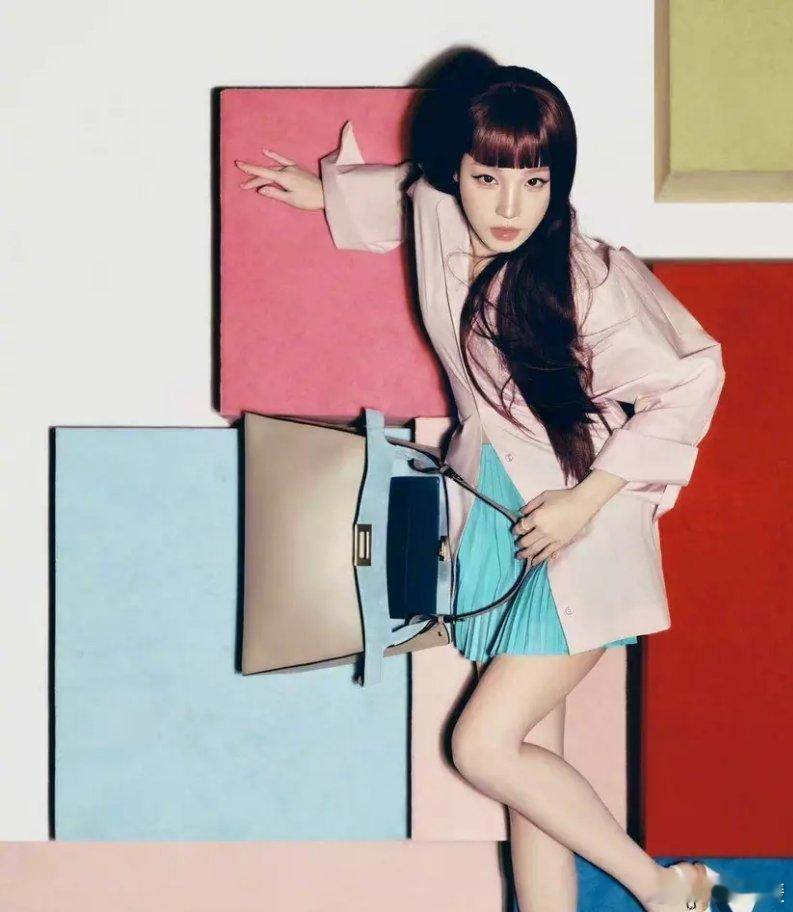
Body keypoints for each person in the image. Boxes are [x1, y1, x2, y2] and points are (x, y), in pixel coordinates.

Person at [234, 63, 730, 912]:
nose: (509, 206)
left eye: (534, 182)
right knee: (529, 769)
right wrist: (324, 197)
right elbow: (406, 188)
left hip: (576, 522)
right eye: (487, 177)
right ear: (457, 170)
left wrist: (583, 502)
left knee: (483, 746)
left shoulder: (584, 278)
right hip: (494, 508)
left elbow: (692, 377)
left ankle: (665, 888)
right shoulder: (436, 206)